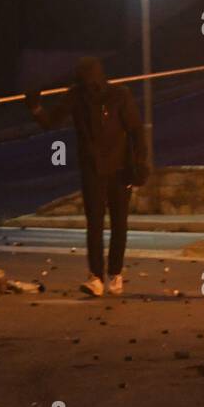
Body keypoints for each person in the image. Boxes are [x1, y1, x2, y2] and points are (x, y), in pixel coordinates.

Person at [26, 57, 149, 296]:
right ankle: (96, 277)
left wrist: (139, 163)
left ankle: (114, 274)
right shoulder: (77, 96)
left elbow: (135, 130)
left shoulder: (118, 95)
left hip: (119, 169)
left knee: (118, 224)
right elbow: (51, 122)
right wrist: (36, 107)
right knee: (95, 224)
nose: (89, 87)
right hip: (92, 169)